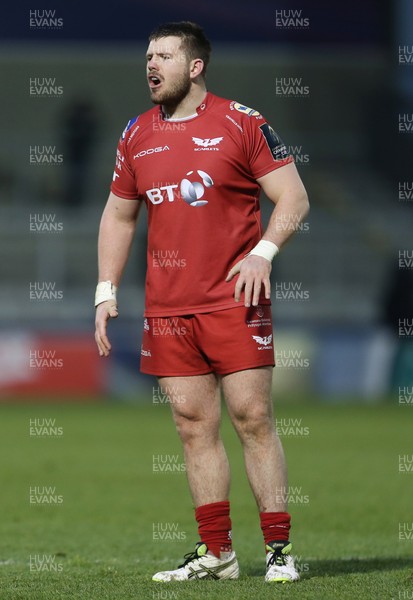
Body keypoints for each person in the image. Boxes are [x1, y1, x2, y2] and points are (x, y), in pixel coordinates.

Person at [95, 21, 309, 584]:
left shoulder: (243, 122)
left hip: (235, 299)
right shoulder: (136, 134)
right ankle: (218, 555)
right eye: (147, 55)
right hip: (168, 309)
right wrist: (105, 289)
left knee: (253, 418)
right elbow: (119, 214)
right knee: (193, 425)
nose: (150, 64)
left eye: (163, 55)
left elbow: (294, 197)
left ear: (195, 66)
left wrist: (264, 252)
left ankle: (279, 552)